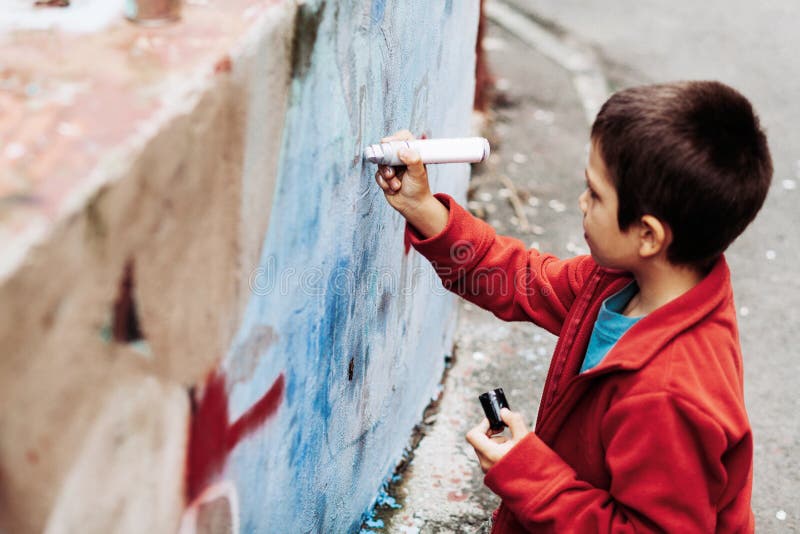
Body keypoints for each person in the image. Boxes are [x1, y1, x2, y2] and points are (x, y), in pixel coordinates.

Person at [373, 81, 772, 533]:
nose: (581, 202)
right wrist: (423, 208)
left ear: (649, 235)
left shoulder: (670, 397)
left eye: (596, 194)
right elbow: (519, 278)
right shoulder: (623, 284)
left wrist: (527, 473)